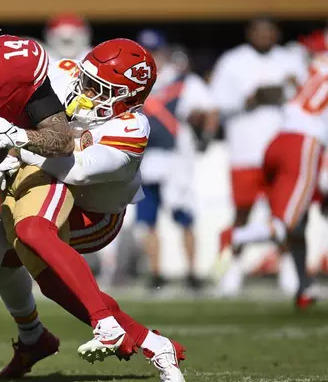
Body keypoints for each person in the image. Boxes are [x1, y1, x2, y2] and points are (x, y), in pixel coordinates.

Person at [0, 35, 186, 382]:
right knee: (8, 254)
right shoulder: (61, 73)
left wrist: (17, 144)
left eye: (99, 88)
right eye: (86, 79)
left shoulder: (131, 128)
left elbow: (73, 167)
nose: (85, 90)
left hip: (94, 215)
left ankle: (104, 323)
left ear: (127, 99)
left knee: (26, 232)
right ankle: (144, 344)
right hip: (52, 185)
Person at [216, 52, 328, 310]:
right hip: (304, 144)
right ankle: (235, 235)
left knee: (298, 223)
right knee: (284, 224)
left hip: (279, 139)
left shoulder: (318, 63)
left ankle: (304, 289)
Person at [209, 17, 307, 295]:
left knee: (284, 215)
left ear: (276, 33)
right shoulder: (232, 61)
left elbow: (307, 101)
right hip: (246, 149)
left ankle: (290, 272)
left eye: (269, 31)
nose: (264, 36)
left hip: (284, 150)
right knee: (242, 213)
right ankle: (232, 271)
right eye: (259, 31)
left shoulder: (290, 60)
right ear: (249, 33)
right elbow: (218, 104)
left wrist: (290, 90)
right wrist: (249, 100)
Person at [135, 29, 218, 292]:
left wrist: (204, 134)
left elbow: (209, 109)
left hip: (175, 160)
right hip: (145, 159)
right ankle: (155, 273)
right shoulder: (134, 83)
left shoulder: (184, 81)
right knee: (147, 221)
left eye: (155, 51)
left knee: (184, 215)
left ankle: (192, 272)